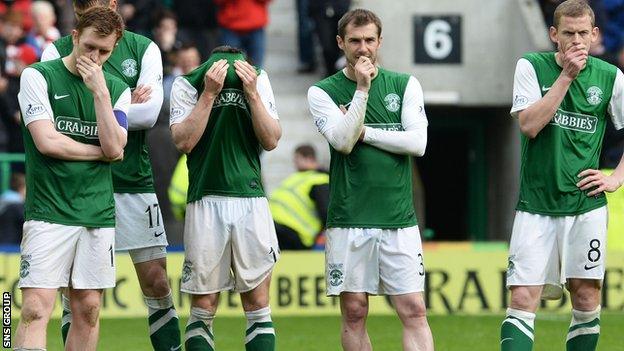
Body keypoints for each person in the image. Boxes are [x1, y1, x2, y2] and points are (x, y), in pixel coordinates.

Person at [41, 1, 182, 349]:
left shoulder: (143, 47)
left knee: (156, 280)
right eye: (83, 3)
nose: (91, 7)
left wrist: (106, 106)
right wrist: (118, 102)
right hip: (78, 184)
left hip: (132, 181)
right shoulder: (53, 50)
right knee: (78, 293)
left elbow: (150, 114)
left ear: (114, 5)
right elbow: (51, 117)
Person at [307, 8, 433, 351]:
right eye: (354, 41)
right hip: (349, 218)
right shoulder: (322, 92)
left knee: (413, 309)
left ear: (379, 42)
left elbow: (417, 144)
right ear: (340, 43)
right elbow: (342, 142)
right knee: (354, 311)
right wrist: (362, 89)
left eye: (369, 40)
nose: (363, 49)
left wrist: (367, 132)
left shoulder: (404, 85)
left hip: (398, 218)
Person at [502, 1, 624, 350]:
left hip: (585, 206)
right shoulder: (531, 66)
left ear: (595, 34)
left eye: (583, 33)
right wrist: (567, 76)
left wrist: (614, 178)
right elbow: (528, 125)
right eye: (568, 33)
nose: (576, 40)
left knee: (586, 298)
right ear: (554, 34)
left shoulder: (610, 76)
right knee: (523, 298)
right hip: (535, 204)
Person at [13, 6, 128, 349]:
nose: (94, 57)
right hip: (49, 210)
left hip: (96, 212)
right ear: (75, 37)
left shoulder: (116, 88)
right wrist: (101, 154)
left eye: (104, 51)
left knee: (89, 309)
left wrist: (100, 92)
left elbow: (114, 143)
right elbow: (47, 142)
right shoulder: (38, 76)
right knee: (34, 308)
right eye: (89, 46)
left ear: (114, 49)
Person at [170, 45, 281, 351]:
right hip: (206, 198)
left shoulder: (258, 79)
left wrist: (253, 94)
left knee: (256, 301)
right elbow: (184, 141)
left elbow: (271, 139)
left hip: (250, 199)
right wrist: (208, 94)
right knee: (204, 304)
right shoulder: (189, 83)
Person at [269, 144, 329, 250]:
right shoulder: (301, 176)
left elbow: (326, 213)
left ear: (309, 158)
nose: (295, 164)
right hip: (275, 227)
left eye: (297, 160)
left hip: (294, 234)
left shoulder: (320, 180)